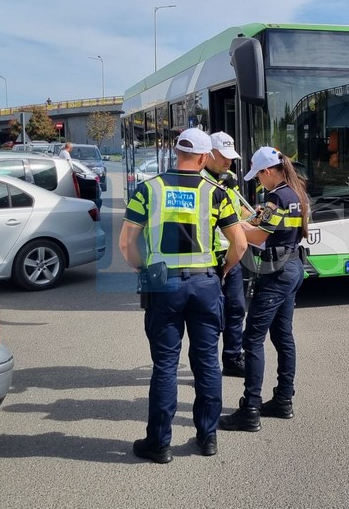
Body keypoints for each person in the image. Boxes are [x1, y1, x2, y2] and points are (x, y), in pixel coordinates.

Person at [118, 128, 248, 463]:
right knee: (206, 364)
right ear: (205, 158)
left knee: (164, 366)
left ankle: (159, 444)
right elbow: (241, 243)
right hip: (205, 285)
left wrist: (142, 268)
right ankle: (207, 438)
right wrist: (222, 271)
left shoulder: (148, 189)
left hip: (163, 285)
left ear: (176, 152)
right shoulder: (216, 192)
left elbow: (125, 243)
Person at [219, 147, 308, 431]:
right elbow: (273, 226)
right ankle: (283, 399)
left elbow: (258, 235)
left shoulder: (276, 196)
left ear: (268, 171)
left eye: (259, 176)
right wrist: (253, 220)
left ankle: (251, 409)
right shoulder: (296, 192)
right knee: (283, 336)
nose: (259, 181)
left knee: (252, 339)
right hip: (293, 266)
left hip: (276, 272)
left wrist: (232, 225)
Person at [203, 132, 253, 377]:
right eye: (223, 156)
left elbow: (236, 210)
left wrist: (256, 216)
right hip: (209, 256)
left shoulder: (230, 177)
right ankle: (208, 366)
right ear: (208, 153)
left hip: (232, 252)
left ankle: (233, 358)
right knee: (209, 315)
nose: (228, 162)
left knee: (236, 307)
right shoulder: (197, 180)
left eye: (231, 157)